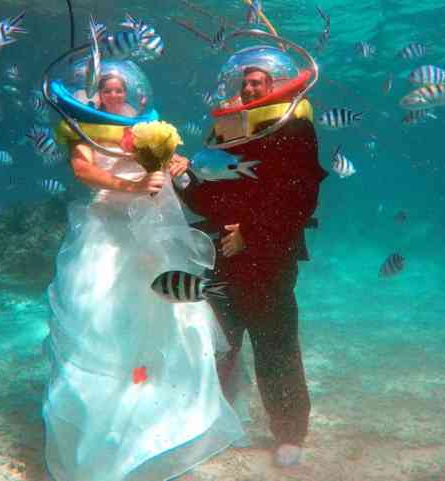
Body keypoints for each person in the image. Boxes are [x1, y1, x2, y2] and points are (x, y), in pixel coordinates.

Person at [43, 60, 244, 481]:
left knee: (168, 318)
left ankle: (164, 430)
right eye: (107, 90)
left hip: (148, 236)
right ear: (96, 93)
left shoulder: (147, 128)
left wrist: (176, 164)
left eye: (120, 90)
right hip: (104, 233)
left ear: (132, 93)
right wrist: (131, 186)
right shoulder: (83, 127)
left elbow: (174, 158)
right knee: (101, 321)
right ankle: (104, 434)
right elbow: (84, 170)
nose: (114, 96)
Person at [176, 64, 328, 467]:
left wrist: (251, 234)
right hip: (221, 254)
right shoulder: (226, 132)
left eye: (259, 79)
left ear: (277, 86)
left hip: (271, 258)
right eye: (244, 80)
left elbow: (300, 200)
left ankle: (290, 431)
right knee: (217, 343)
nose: (250, 85)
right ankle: (212, 423)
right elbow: (208, 199)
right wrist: (183, 180)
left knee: (275, 344)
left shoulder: (294, 131)